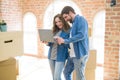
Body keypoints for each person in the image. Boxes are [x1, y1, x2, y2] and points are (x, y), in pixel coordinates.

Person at [56, 6, 89, 80]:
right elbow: (72, 40)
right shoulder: (73, 23)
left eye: (66, 17)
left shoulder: (81, 19)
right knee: (66, 72)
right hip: (72, 55)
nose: (65, 20)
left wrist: (65, 40)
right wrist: (62, 41)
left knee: (80, 77)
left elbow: (81, 35)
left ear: (70, 13)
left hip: (79, 55)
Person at [43, 14, 71, 80]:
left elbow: (70, 45)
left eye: (59, 21)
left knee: (57, 77)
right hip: (51, 56)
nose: (58, 23)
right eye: (56, 22)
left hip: (61, 57)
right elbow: (51, 43)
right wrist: (47, 43)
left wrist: (61, 41)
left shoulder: (69, 31)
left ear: (63, 21)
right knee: (54, 77)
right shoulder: (55, 30)